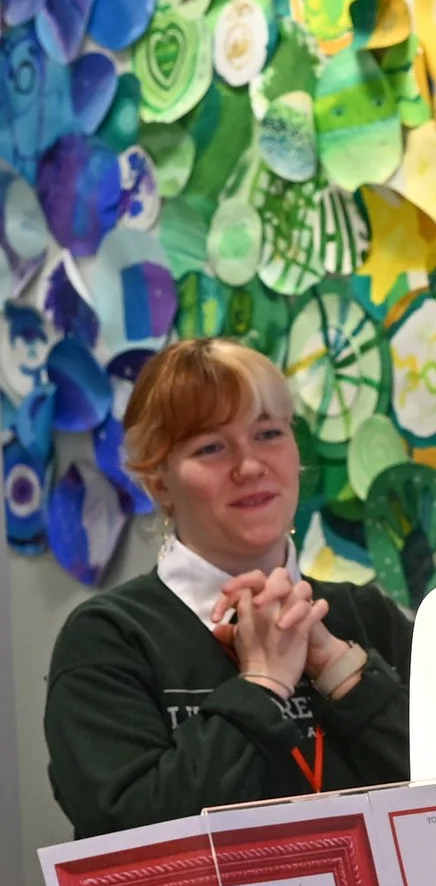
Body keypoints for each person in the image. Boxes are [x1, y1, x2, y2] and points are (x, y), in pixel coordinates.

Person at [45, 339, 413, 839]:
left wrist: (343, 672)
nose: (250, 466)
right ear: (158, 482)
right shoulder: (109, 637)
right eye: (211, 447)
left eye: (268, 434)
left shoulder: (367, 616)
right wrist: (262, 685)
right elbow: (129, 835)